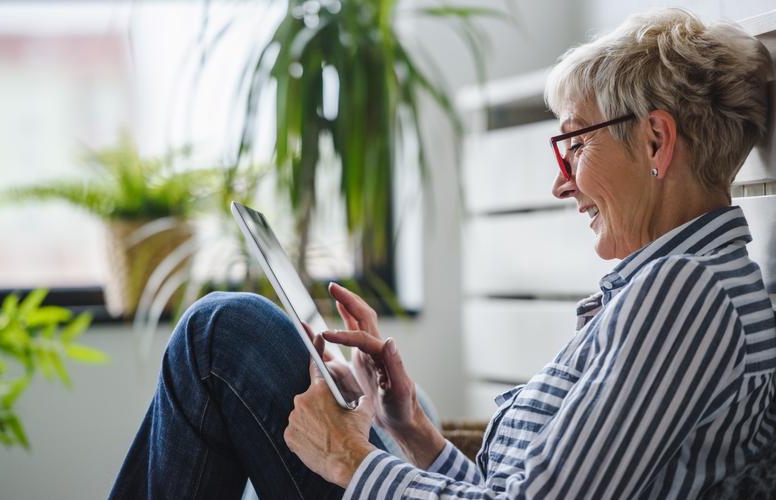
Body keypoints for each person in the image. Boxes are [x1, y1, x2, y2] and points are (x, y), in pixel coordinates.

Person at [111, 7, 775, 499]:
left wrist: (350, 458)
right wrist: (410, 429)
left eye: (574, 142)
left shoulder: (686, 293)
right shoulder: (673, 287)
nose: (560, 178)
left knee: (223, 333)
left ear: (657, 142)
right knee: (234, 335)